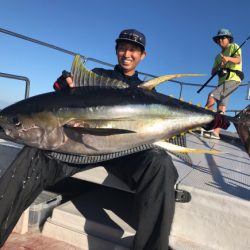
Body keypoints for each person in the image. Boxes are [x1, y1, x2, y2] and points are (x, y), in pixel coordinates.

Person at [0, 29, 178, 250]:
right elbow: (63, 104)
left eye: (133, 49)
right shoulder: (95, 78)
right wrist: (63, 88)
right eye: (122, 48)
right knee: (33, 153)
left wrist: (210, 120)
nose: (127, 54)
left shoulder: (147, 93)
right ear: (116, 51)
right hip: (77, 147)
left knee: (160, 163)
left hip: (126, 151)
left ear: (143, 56)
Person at [204, 28, 243, 139]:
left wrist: (228, 59)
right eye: (218, 39)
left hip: (233, 79)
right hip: (222, 82)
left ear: (229, 39)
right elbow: (212, 72)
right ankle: (216, 132)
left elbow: (238, 60)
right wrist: (219, 65)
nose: (220, 40)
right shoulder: (217, 57)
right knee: (221, 105)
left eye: (223, 37)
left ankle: (206, 123)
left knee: (211, 96)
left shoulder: (234, 46)